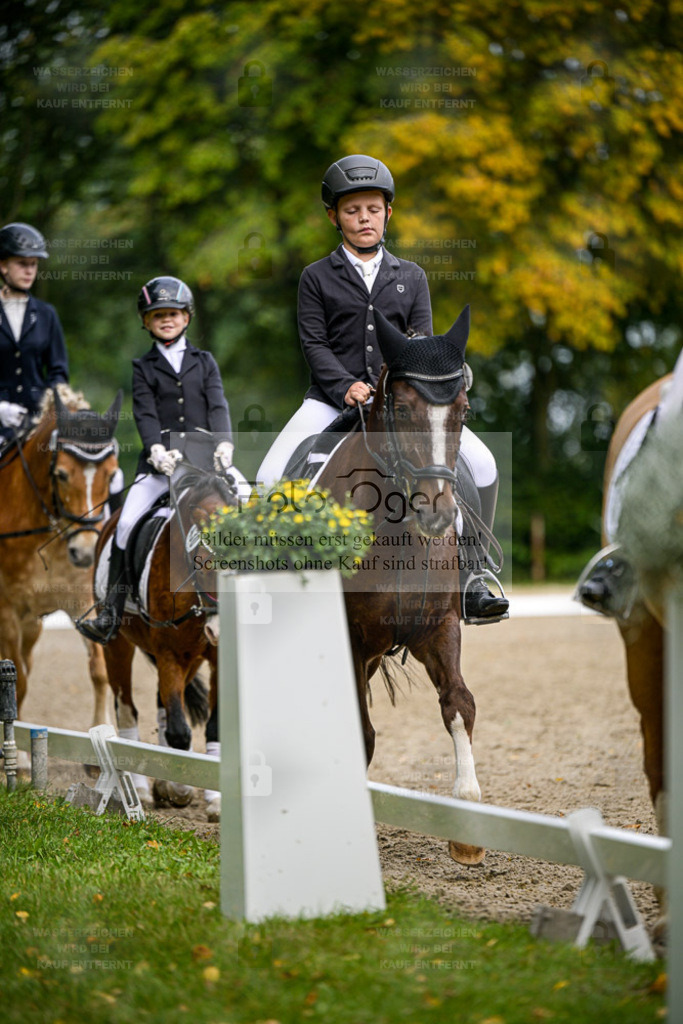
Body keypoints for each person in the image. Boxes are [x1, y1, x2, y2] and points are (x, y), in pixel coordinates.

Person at [257, 154, 508, 622]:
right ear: (334, 216)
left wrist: (406, 388)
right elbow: (313, 343)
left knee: (486, 463)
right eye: (352, 211)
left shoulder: (411, 276)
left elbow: (423, 346)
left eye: (373, 209)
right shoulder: (316, 277)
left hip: (403, 405)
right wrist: (345, 386)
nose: (363, 218)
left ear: (388, 212)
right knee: (272, 476)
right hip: (329, 401)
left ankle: (472, 573)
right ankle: (278, 583)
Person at [77, 276, 236, 645]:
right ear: (146, 321)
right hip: (160, 464)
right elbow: (145, 413)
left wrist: (225, 443)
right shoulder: (143, 366)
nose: (167, 319)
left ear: (187, 318)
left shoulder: (205, 361)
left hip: (207, 463)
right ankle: (112, 612)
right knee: (127, 523)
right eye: (158, 314)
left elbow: (218, 404)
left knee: (248, 510)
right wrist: (154, 449)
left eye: (174, 314)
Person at [0, 222, 69, 442]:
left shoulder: (46, 314)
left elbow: (58, 372)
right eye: (22, 263)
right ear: (3, 265)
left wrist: (47, 407)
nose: (30, 270)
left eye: (34, 264)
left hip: (39, 422)